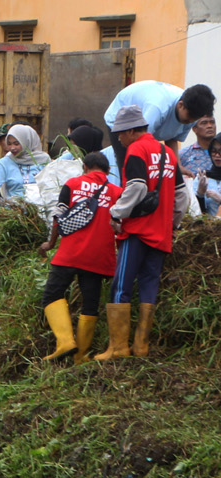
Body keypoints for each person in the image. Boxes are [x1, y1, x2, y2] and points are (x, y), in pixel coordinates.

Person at [96, 103, 190, 360]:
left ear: (131, 130)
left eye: (120, 133)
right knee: (149, 285)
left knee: (121, 286)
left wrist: (116, 213)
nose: (118, 138)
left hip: (137, 231)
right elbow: (182, 196)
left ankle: (117, 348)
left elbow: (136, 187)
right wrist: (173, 223)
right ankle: (141, 347)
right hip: (161, 233)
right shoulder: (167, 152)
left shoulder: (136, 149)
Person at [36, 151, 122, 364]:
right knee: (90, 303)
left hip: (70, 253)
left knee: (52, 294)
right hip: (99, 256)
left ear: (84, 167)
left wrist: (50, 243)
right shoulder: (116, 191)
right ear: (108, 171)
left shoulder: (72, 184)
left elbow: (59, 216)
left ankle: (65, 341)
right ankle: (81, 356)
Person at [104, 81, 215, 152]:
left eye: (195, 119)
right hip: (122, 122)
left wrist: (178, 167)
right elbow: (139, 141)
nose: (190, 121)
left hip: (145, 130)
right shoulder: (157, 108)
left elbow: (172, 138)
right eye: (189, 116)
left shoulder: (193, 112)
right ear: (181, 105)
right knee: (130, 167)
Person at [0, 124, 50, 199]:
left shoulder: (44, 160)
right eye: (9, 144)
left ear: (27, 142)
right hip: (13, 209)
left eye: (16, 144)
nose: (12, 148)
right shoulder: (4, 163)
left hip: (41, 208)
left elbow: (52, 187)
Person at [178, 115, 216, 180]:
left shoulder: (218, 152)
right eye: (204, 123)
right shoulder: (183, 154)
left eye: (212, 122)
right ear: (195, 129)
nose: (210, 126)